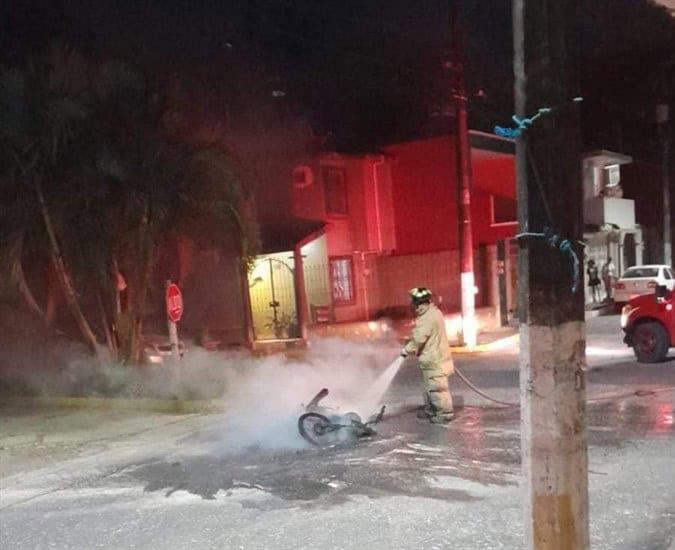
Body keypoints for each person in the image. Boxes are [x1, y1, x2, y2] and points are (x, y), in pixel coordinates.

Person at [401, 287, 455, 424]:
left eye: (413, 303)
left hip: (435, 360)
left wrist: (406, 350)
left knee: (437, 388)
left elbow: (419, 338)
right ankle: (432, 410)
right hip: (433, 358)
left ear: (418, 303)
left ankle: (444, 414)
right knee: (429, 387)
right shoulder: (434, 313)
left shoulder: (427, 318)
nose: (412, 306)